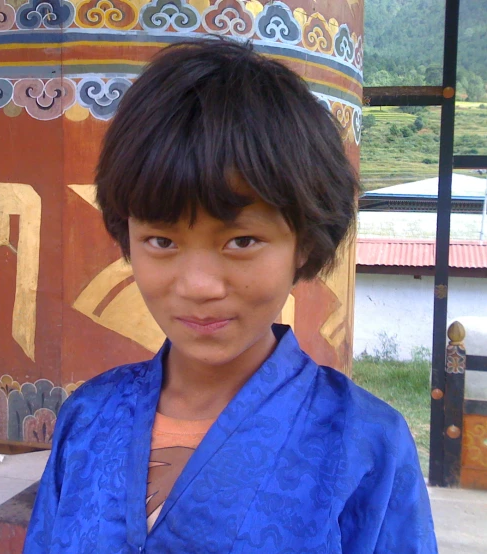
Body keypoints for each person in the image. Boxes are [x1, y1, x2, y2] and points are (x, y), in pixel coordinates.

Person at [24, 39, 437, 553]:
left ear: (304, 244)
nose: (198, 285)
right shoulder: (87, 419)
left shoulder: (368, 445)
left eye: (241, 241)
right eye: (162, 240)